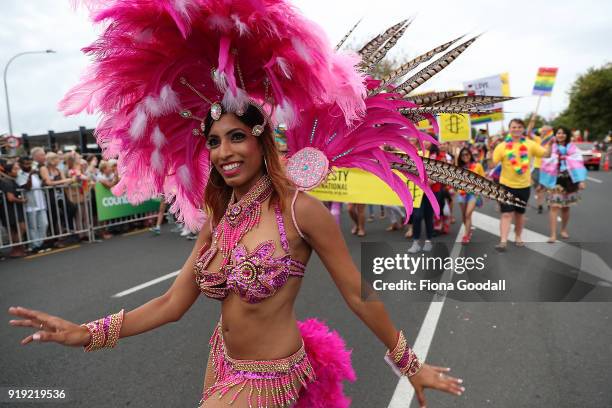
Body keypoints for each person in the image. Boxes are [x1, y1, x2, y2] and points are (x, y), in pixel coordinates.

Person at [10, 3, 530, 407]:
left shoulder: (299, 210)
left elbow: (357, 296)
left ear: (262, 140)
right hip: (222, 361)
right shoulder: (220, 214)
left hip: (270, 376)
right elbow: (173, 303)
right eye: (213, 142)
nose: (224, 151)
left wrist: (408, 363)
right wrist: (86, 332)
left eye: (236, 137)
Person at [492, 118, 551, 251]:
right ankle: (503, 241)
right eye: (514, 127)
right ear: (509, 129)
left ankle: (518, 236)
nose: (516, 129)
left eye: (519, 127)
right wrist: (491, 150)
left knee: (519, 214)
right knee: (506, 214)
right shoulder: (502, 146)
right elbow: (492, 164)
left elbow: (546, 154)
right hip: (506, 185)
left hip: (524, 186)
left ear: (523, 129)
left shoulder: (530, 144)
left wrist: (550, 143)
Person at [539, 127, 587, 242]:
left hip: (570, 180)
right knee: (554, 206)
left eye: (563, 133)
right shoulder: (551, 147)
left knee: (565, 207)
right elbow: (545, 160)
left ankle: (564, 229)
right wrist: (550, 147)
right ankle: (553, 234)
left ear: (567, 135)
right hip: (555, 180)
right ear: (555, 135)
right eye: (558, 133)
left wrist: (581, 180)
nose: (561, 135)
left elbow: (578, 164)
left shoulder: (573, 148)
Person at [16, 156, 49, 253]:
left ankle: (39, 243)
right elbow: (27, 187)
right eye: (26, 164)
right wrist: (30, 175)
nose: (28, 165)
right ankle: (35, 246)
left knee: (44, 224)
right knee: (33, 226)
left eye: (29, 163)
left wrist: (43, 182)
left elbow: (39, 186)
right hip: (30, 204)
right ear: (21, 165)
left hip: (41, 203)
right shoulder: (20, 175)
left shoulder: (35, 174)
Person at [455, 147, 485, 244]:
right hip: (462, 194)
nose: (465, 156)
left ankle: (466, 235)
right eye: (463, 155)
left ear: (470, 155)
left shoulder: (478, 166)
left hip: (473, 194)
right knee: (464, 216)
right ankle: (469, 229)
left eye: (467, 154)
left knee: (468, 214)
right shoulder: (459, 167)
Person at [0, 161, 28, 257]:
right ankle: (16, 249)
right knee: (20, 228)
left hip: (11, 209)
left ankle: (17, 249)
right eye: (15, 169)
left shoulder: (11, 180)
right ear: (8, 171)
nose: (17, 171)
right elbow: (10, 198)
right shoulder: (7, 182)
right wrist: (22, 201)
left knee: (16, 229)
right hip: (10, 209)